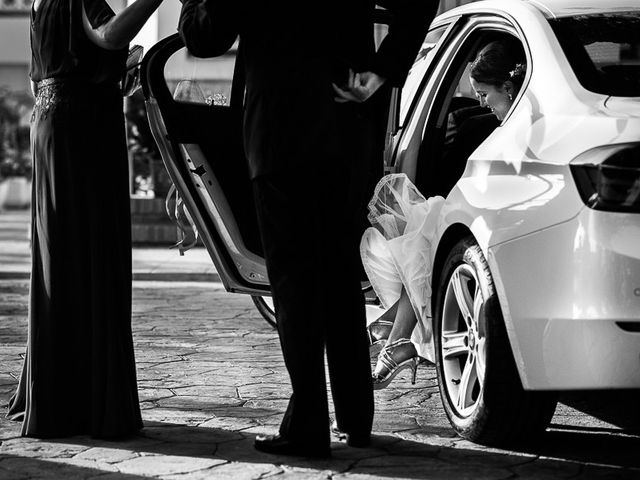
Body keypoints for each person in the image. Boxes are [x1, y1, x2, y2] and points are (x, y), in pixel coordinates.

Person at [178, 0, 440, 458]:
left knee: (296, 286)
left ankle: (308, 428)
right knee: (339, 277)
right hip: (346, 130)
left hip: (280, 134)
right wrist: (380, 71)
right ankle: (356, 417)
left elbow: (205, 36)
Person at [7, 0, 165, 439]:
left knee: (61, 256)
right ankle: (84, 401)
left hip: (54, 125)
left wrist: (112, 69)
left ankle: (58, 391)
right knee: (92, 254)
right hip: (83, 131)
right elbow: (108, 36)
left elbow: (49, 71)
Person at [363, 37, 527, 389]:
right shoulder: (496, 123)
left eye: (484, 94)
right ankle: (394, 336)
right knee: (426, 228)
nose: (481, 104)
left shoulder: (519, 128)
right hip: (478, 217)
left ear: (508, 87)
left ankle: (392, 332)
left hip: (501, 224)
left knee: (427, 229)